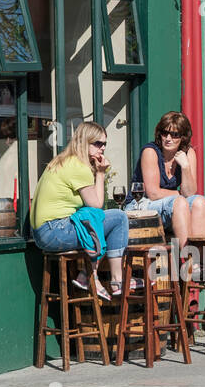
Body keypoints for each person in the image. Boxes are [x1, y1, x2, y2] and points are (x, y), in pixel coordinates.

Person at [30, 121, 130, 299]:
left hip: (43, 232)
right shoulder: (78, 167)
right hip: (55, 231)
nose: (102, 148)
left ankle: (87, 275)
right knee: (119, 218)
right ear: (84, 142)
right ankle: (117, 280)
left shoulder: (63, 161)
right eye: (97, 143)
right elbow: (97, 203)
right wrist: (100, 173)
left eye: (104, 143)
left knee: (92, 219)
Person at [127, 111, 205, 250]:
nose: (168, 138)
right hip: (141, 206)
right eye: (165, 133)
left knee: (199, 202)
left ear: (183, 137)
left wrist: (186, 167)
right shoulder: (150, 151)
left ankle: (199, 260)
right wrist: (180, 196)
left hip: (172, 207)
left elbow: (190, 192)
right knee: (180, 202)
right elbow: (153, 193)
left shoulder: (188, 153)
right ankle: (187, 261)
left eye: (175, 134)